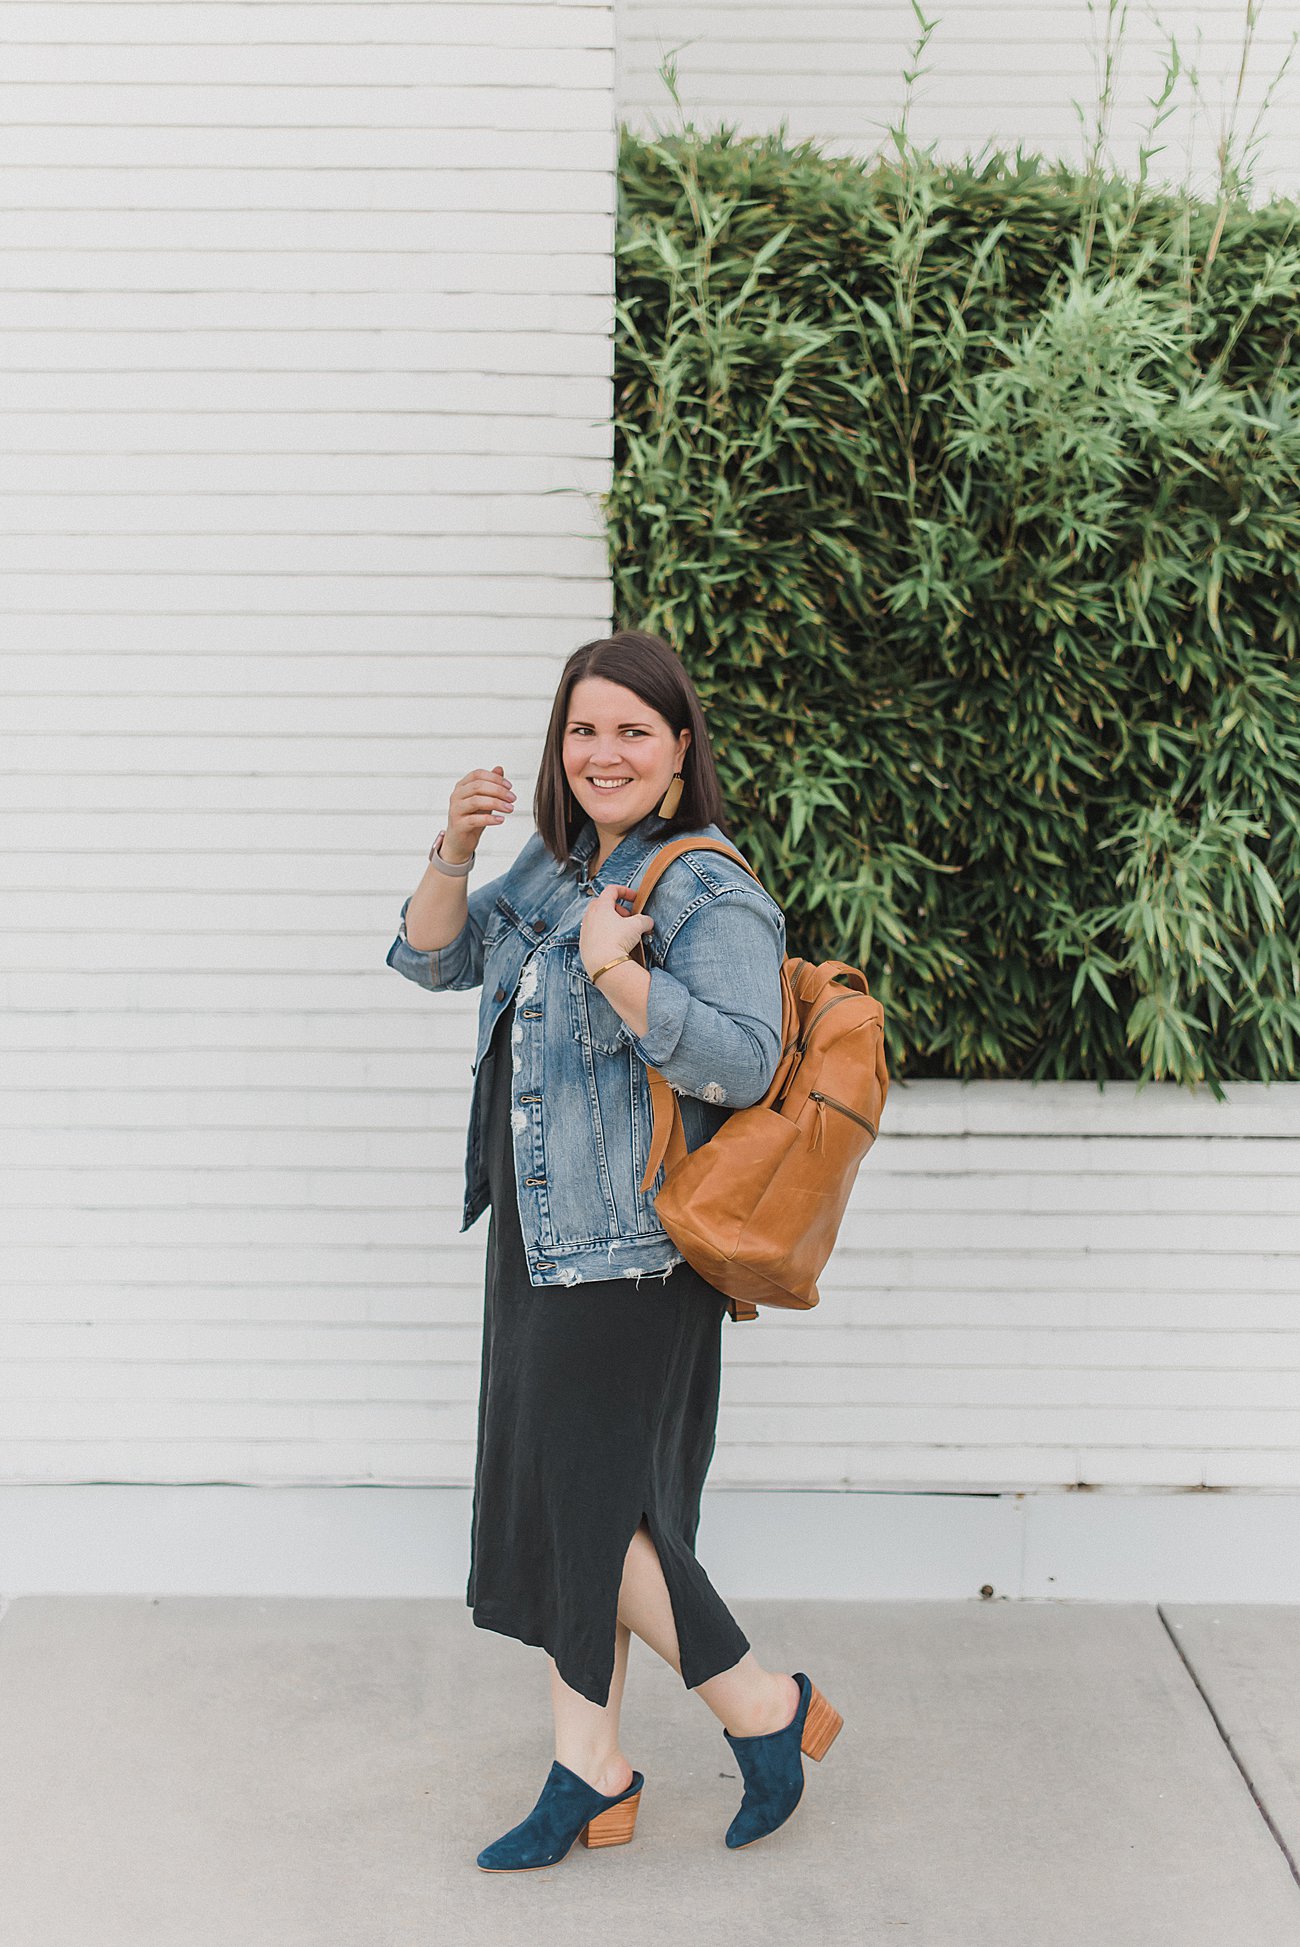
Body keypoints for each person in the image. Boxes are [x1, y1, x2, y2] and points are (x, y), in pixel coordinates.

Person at [386, 629, 843, 1870]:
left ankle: (762, 1705)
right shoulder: (554, 866)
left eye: (633, 731)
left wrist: (624, 983)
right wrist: (456, 848)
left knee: (582, 1508)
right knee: (579, 1511)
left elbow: (747, 1059)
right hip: (542, 1236)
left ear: (680, 747)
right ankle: (591, 1768)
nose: (605, 752)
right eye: (584, 730)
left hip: (637, 1252)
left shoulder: (706, 888)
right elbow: (435, 956)